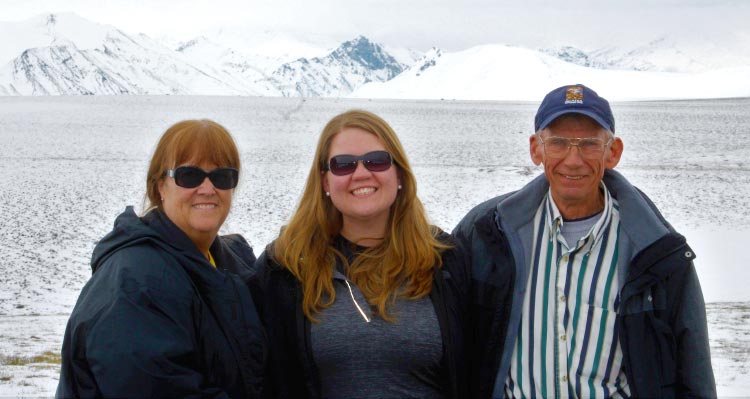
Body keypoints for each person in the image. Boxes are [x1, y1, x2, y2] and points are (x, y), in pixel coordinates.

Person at [453, 84, 716, 398]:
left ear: (613, 152)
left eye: (589, 144)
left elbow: (692, 363)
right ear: (536, 149)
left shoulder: (654, 248)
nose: (573, 159)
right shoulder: (486, 233)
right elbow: (448, 341)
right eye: (559, 143)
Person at [249, 109, 469, 398]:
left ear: (399, 173)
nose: (361, 173)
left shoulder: (443, 260)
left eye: (377, 161)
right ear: (325, 182)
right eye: (343, 165)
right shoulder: (286, 268)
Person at [56, 120, 265, 398]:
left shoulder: (230, 262)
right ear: (159, 187)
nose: (207, 188)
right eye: (188, 176)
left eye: (222, 176)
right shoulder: (134, 282)